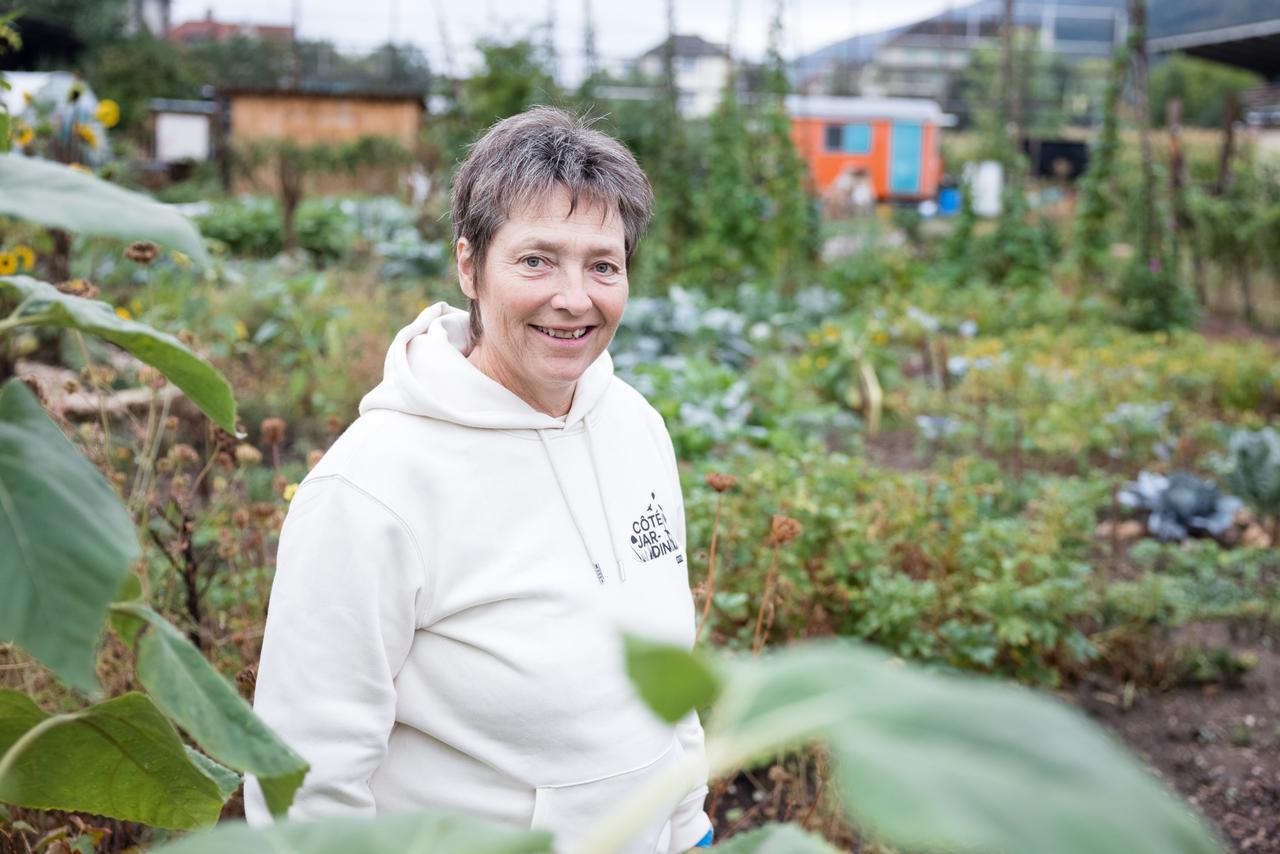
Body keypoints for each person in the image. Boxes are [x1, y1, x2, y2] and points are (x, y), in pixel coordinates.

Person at [243, 107, 714, 854]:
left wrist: (690, 828)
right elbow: (306, 776)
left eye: (603, 264)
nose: (575, 297)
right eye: (536, 260)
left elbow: (668, 678)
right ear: (469, 266)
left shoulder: (634, 426)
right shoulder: (372, 485)